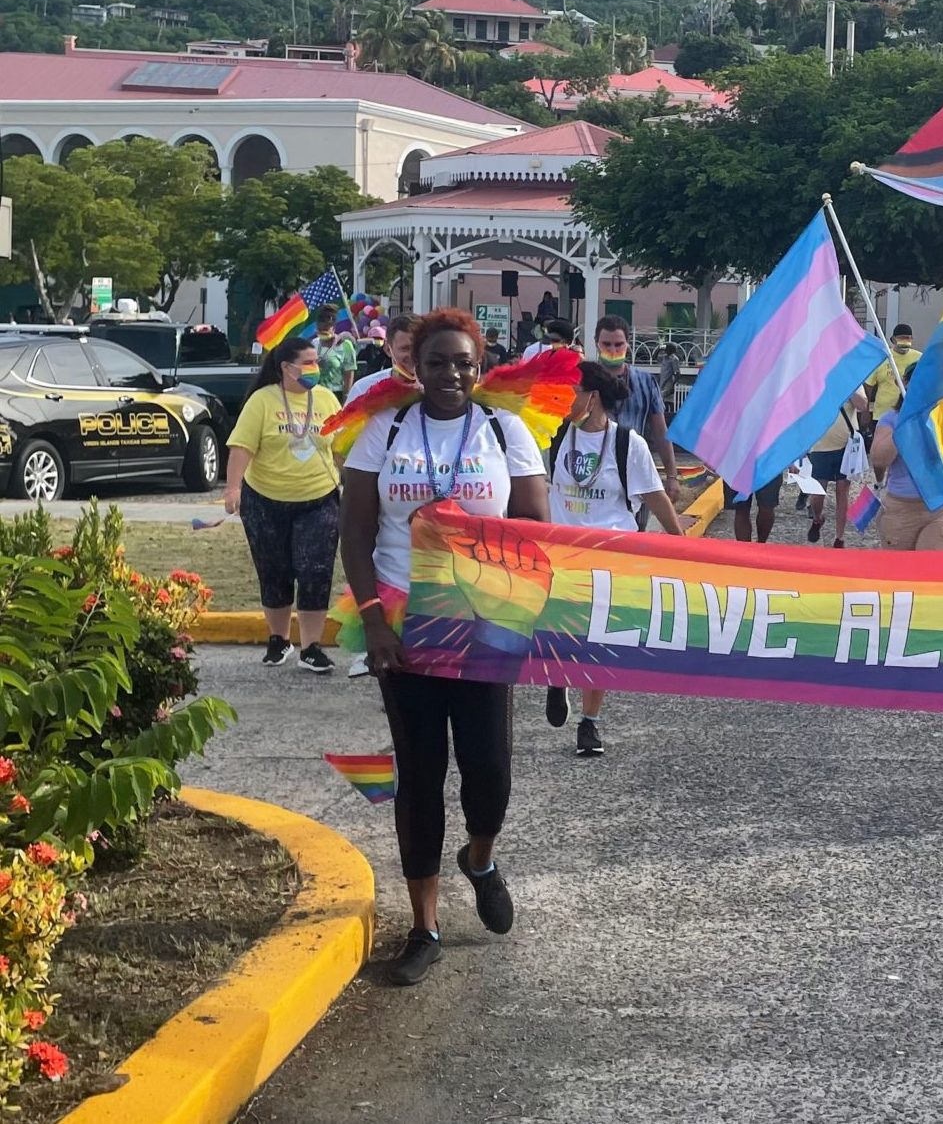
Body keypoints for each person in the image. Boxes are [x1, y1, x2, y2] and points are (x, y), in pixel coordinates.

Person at [338, 310, 548, 987]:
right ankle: (422, 925)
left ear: (478, 367)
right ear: (413, 366)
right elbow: (356, 532)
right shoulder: (386, 432)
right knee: (420, 773)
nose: (450, 374)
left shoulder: (503, 431)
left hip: (484, 625)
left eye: (462, 362)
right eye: (436, 362)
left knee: (489, 772)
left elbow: (537, 531)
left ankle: (479, 858)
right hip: (407, 631)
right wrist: (373, 620)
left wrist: (522, 612)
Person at [543, 361, 685, 756]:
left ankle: (590, 723)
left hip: (612, 560)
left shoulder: (628, 444)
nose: (564, 399)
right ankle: (558, 678)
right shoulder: (553, 434)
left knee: (599, 640)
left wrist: (682, 544)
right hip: (562, 556)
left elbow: (655, 498)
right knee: (558, 634)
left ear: (592, 397)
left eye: (571, 391)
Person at [224, 338, 343, 674]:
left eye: (315, 361)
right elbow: (241, 447)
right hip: (265, 500)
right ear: (286, 368)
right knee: (274, 570)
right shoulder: (262, 401)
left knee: (315, 570)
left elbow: (341, 445)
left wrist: (350, 478)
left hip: (319, 499)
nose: (313, 368)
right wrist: (233, 488)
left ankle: (311, 646)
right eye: (307, 362)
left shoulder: (326, 398)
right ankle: (279, 639)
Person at [593, 316, 680, 503]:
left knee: (635, 530)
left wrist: (672, 476)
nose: (613, 350)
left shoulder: (646, 382)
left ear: (628, 344)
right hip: (593, 474)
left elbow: (660, 431)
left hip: (635, 475)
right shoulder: (584, 382)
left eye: (619, 345)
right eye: (606, 344)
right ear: (596, 344)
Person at [868, 405, 943, 552]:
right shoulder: (890, 419)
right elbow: (879, 461)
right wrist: (904, 424)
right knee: (901, 572)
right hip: (900, 509)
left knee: (931, 572)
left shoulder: (938, 415)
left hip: (939, 510)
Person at [805, 389, 863, 547]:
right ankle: (817, 519)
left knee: (842, 491)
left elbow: (863, 405)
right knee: (817, 493)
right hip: (820, 445)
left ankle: (840, 537)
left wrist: (848, 387)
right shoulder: (816, 377)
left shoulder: (853, 379)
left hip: (846, 446)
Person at [862, 323, 921, 423]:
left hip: (910, 416)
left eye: (907, 338)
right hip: (882, 416)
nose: (905, 341)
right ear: (893, 339)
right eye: (901, 338)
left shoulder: (919, 358)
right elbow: (869, 386)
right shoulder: (882, 358)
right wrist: (865, 411)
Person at [349, 314, 418, 400]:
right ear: (388, 349)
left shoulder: (436, 390)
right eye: (405, 348)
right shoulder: (363, 390)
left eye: (419, 347)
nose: (413, 354)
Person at [312, 304, 358, 397]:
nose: (322, 332)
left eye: (326, 329)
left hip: (336, 394)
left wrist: (346, 397)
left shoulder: (345, 345)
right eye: (320, 329)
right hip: (316, 393)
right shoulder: (314, 343)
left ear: (333, 327)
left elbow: (349, 374)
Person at [731, 474, 783, 543]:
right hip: (740, 465)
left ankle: (761, 544)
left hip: (770, 466)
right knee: (741, 508)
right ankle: (745, 548)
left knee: (767, 506)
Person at [657, 342, 682, 416]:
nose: (665, 349)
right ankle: (666, 418)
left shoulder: (674, 359)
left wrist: (672, 385)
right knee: (665, 402)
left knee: (665, 402)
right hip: (662, 383)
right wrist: (659, 348)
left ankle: (669, 419)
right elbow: (654, 357)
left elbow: (677, 374)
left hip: (668, 384)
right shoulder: (664, 357)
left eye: (667, 348)